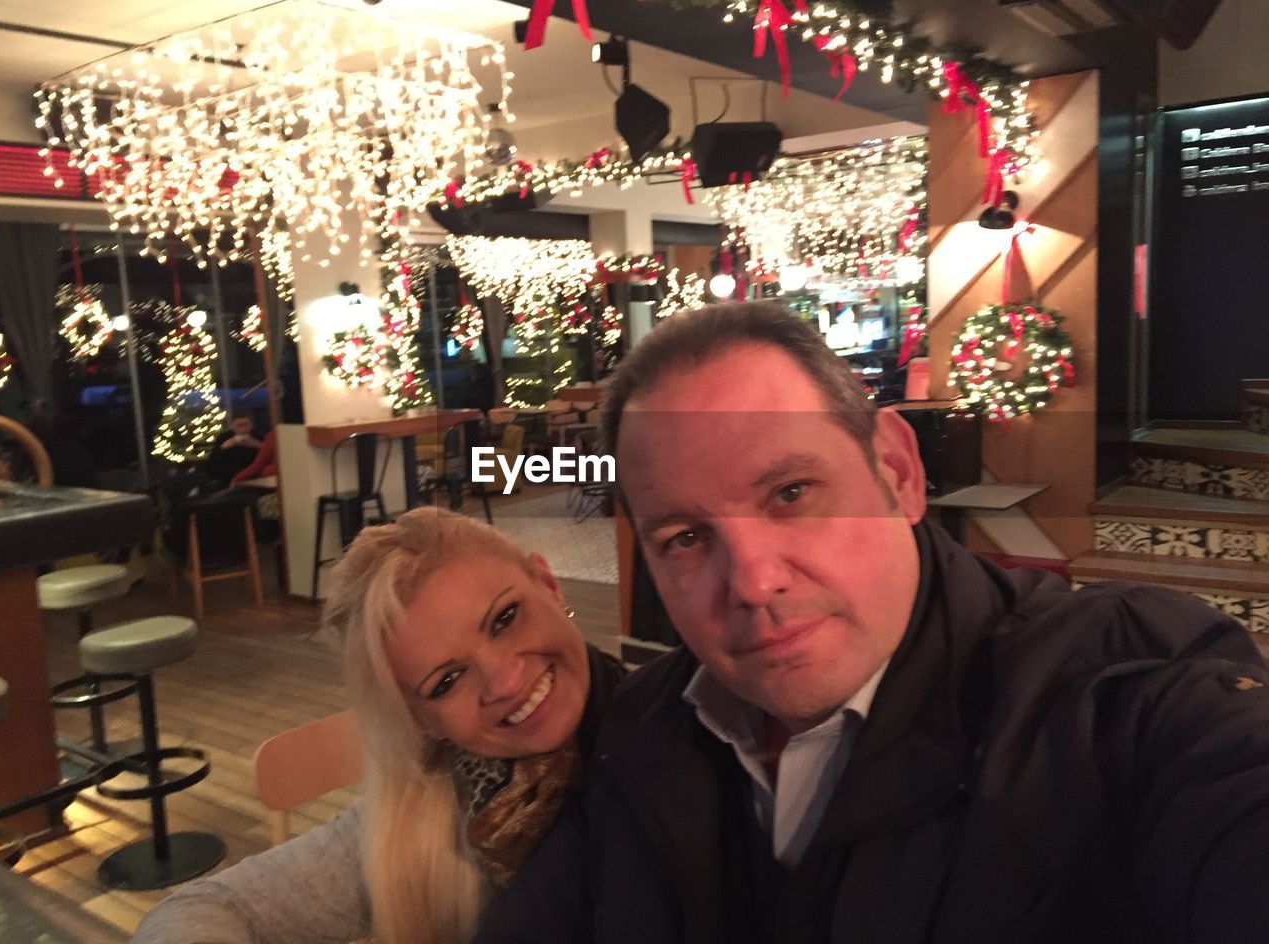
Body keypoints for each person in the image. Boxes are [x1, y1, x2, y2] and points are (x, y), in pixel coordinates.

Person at [474, 301, 1269, 943]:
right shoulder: (644, 729)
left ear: (897, 470)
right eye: (685, 538)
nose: (752, 582)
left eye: (791, 493)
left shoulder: (1124, 697)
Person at [132, 508, 624, 944]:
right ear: (422, 722)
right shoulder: (438, 814)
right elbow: (197, 910)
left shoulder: (677, 737)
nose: (504, 680)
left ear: (549, 584)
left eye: (505, 618)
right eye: (447, 680)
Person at [203, 410, 262, 487]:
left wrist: (258, 445)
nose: (243, 429)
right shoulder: (223, 438)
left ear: (251, 425)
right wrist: (223, 447)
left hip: (253, 474)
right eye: (239, 425)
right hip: (227, 477)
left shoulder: (258, 436)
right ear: (233, 426)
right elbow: (211, 463)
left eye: (246, 425)